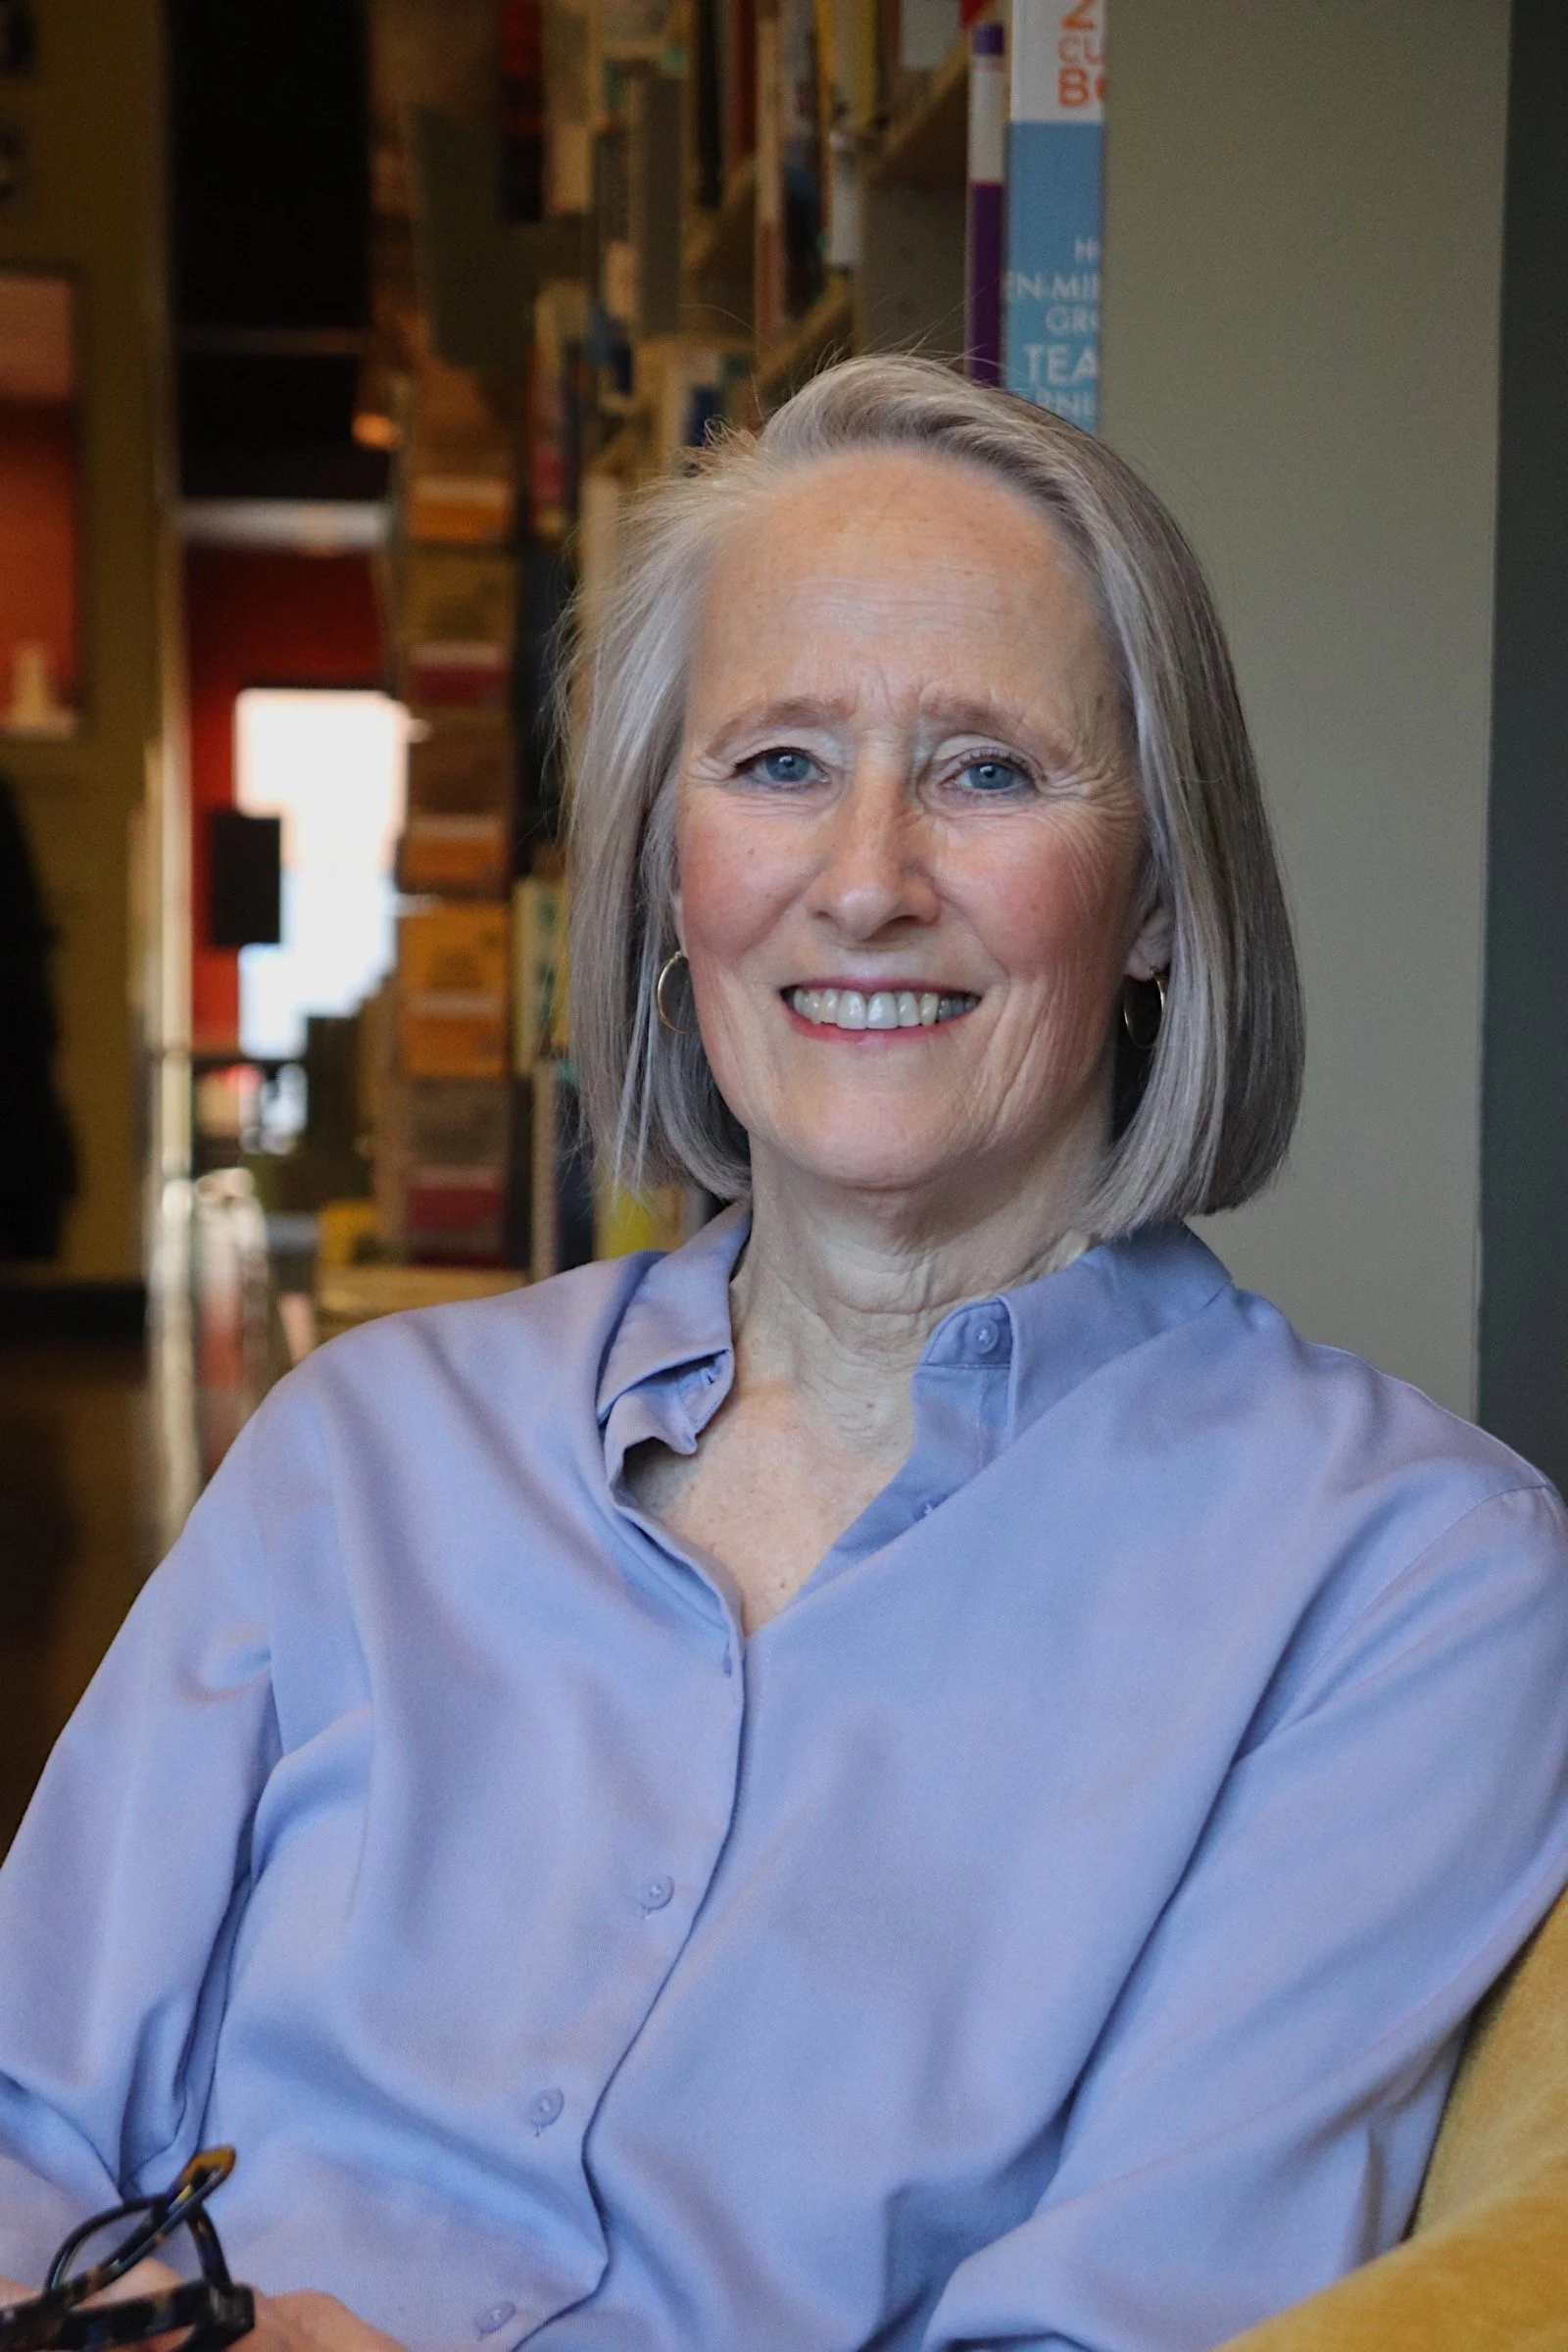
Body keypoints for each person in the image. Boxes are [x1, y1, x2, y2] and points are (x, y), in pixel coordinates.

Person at [1, 355, 1566, 2352]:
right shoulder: (364, 1451)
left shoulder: (1399, 1584)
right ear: (668, 878)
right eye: (775, 763)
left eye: (988, 769)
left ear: (1162, 895)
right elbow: (28, 2108)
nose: (862, 878)